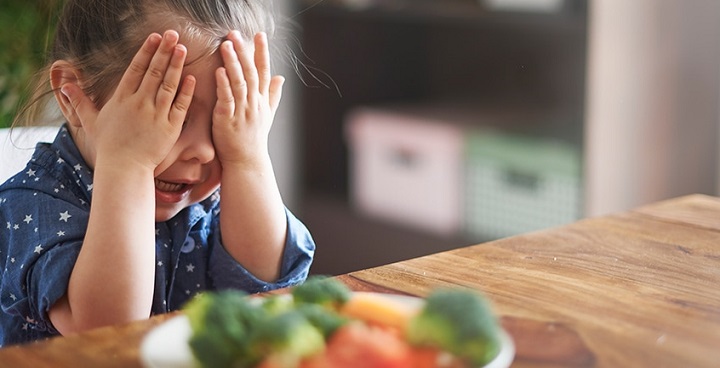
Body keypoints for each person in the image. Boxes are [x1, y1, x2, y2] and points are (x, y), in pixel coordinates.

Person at [0, 0, 315, 346]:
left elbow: (270, 286)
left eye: (223, 122)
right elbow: (108, 331)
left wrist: (247, 157)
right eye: (172, 117)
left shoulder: (219, 185)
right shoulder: (31, 204)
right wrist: (127, 164)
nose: (205, 150)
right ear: (73, 96)